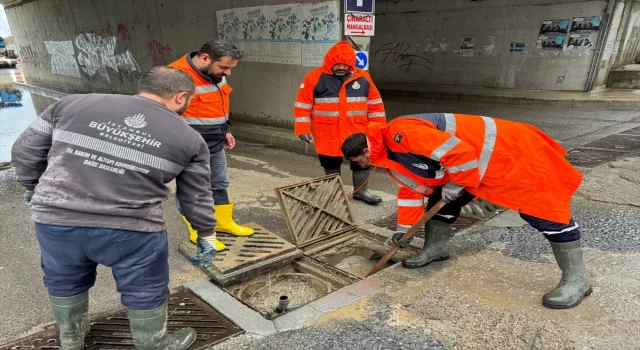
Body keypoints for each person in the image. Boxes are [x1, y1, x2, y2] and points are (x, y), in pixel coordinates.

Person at [11, 67, 219, 350]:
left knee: (64, 277)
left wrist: (35, 188)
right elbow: (196, 196)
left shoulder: (72, 104)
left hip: (56, 221)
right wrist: (206, 233)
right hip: (133, 228)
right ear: (181, 96)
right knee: (144, 286)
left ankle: (71, 339)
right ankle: (153, 344)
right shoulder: (190, 139)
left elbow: (24, 151)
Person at [341, 113, 592, 309]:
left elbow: (460, 153)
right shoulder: (387, 157)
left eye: (358, 162)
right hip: (475, 168)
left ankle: (578, 281)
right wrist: (403, 230)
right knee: (442, 199)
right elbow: (411, 191)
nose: (361, 166)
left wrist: (457, 181)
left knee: (545, 213)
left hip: (514, 154)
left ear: (365, 151)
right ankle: (436, 249)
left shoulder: (402, 133)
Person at [169, 39, 253, 250]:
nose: (228, 73)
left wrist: (226, 130)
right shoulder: (174, 78)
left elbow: (218, 104)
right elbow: (164, 117)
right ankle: (198, 231)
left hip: (215, 142)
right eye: (224, 67)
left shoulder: (216, 74)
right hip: (188, 147)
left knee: (219, 183)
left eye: (230, 68)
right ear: (205, 58)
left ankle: (223, 222)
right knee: (193, 190)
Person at [293, 40, 386, 205]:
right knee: (330, 162)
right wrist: (302, 128)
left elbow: (375, 106)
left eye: (346, 64)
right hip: (328, 132)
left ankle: (361, 191)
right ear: (329, 61)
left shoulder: (363, 78)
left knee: (362, 162)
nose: (342, 67)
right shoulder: (313, 78)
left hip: (356, 132)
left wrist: (378, 131)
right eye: (338, 64)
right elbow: (302, 106)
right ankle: (334, 194)